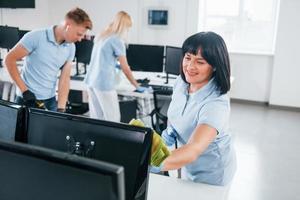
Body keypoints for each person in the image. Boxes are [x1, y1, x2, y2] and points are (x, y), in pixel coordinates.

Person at [151, 32, 236, 186]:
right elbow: (176, 113)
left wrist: (155, 164)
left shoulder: (216, 103)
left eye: (200, 62)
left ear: (215, 66)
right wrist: (171, 130)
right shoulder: (181, 83)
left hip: (212, 173)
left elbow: (194, 149)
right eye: (188, 57)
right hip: (186, 165)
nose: (190, 66)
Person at [5, 7, 92, 112]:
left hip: (50, 101)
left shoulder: (70, 47)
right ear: (68, 26)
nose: (79, 39)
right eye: (78, 34)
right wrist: (24, 91)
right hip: (27, 99)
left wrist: (61, 108)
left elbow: (64, 79)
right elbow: (9, 59)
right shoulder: (36, 37)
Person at [84, 11, 146, 122]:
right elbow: (126, 68)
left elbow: (100, 59)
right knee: (113, 120)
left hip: (91, 82)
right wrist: (137, 86)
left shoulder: (102, 35)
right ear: (124, 26)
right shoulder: (117, 40)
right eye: (128, 28)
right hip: (103, 84)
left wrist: (114, 65)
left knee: (96, 119)